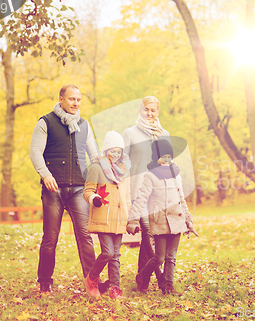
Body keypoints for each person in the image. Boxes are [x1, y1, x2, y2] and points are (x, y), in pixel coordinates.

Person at [30, 84, 97, 293]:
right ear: (61, 99)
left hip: (79, 188)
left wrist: (102, 175)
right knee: (50, 238)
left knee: (85, 237)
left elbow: (94, 156)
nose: (76, 103)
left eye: (78, 99)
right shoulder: (46, 122)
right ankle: (45, 283)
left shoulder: (84, 125)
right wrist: (46, 174)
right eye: (71, 99)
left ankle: (92, 282)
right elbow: (35, 152)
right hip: (54, 190)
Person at [126, 140, 198, 295]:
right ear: (156, 157)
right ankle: (142, 276)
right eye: (163, 157)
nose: (166, 160)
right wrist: (133, 220)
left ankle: (168, 287)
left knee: (171, 257)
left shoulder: (176, 177)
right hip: (159, 223)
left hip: (176, 222)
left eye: (169, 156)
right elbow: (141, 199)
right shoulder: (151, 176)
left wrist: (188, 219)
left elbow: (182, 200)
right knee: (159, 258)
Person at [122, 96, 170, 289]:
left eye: (153, 110)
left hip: (158, 193)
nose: (149, 113)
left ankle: (142, 279)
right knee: (149, 233)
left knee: (151, 238)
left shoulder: (164, 133)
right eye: (146, 109)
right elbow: (122, 164)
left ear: (157, 111)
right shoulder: (130, 133)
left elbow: (167, 163)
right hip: (137, 191)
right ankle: (161, 279)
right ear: (140, 110)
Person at [83, 131, 131, 300]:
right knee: (108, 252)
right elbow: (87, 191)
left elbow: (127, 196)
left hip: (119, 219)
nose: (116, 154)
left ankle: (114, 289)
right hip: (104, 217)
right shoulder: (96, 168)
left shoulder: (124, 171)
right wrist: (94, 198)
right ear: (105, 151)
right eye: (112, 151)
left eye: (119, 151)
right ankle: (92, 278)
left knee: (116, 256)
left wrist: (131, 218)